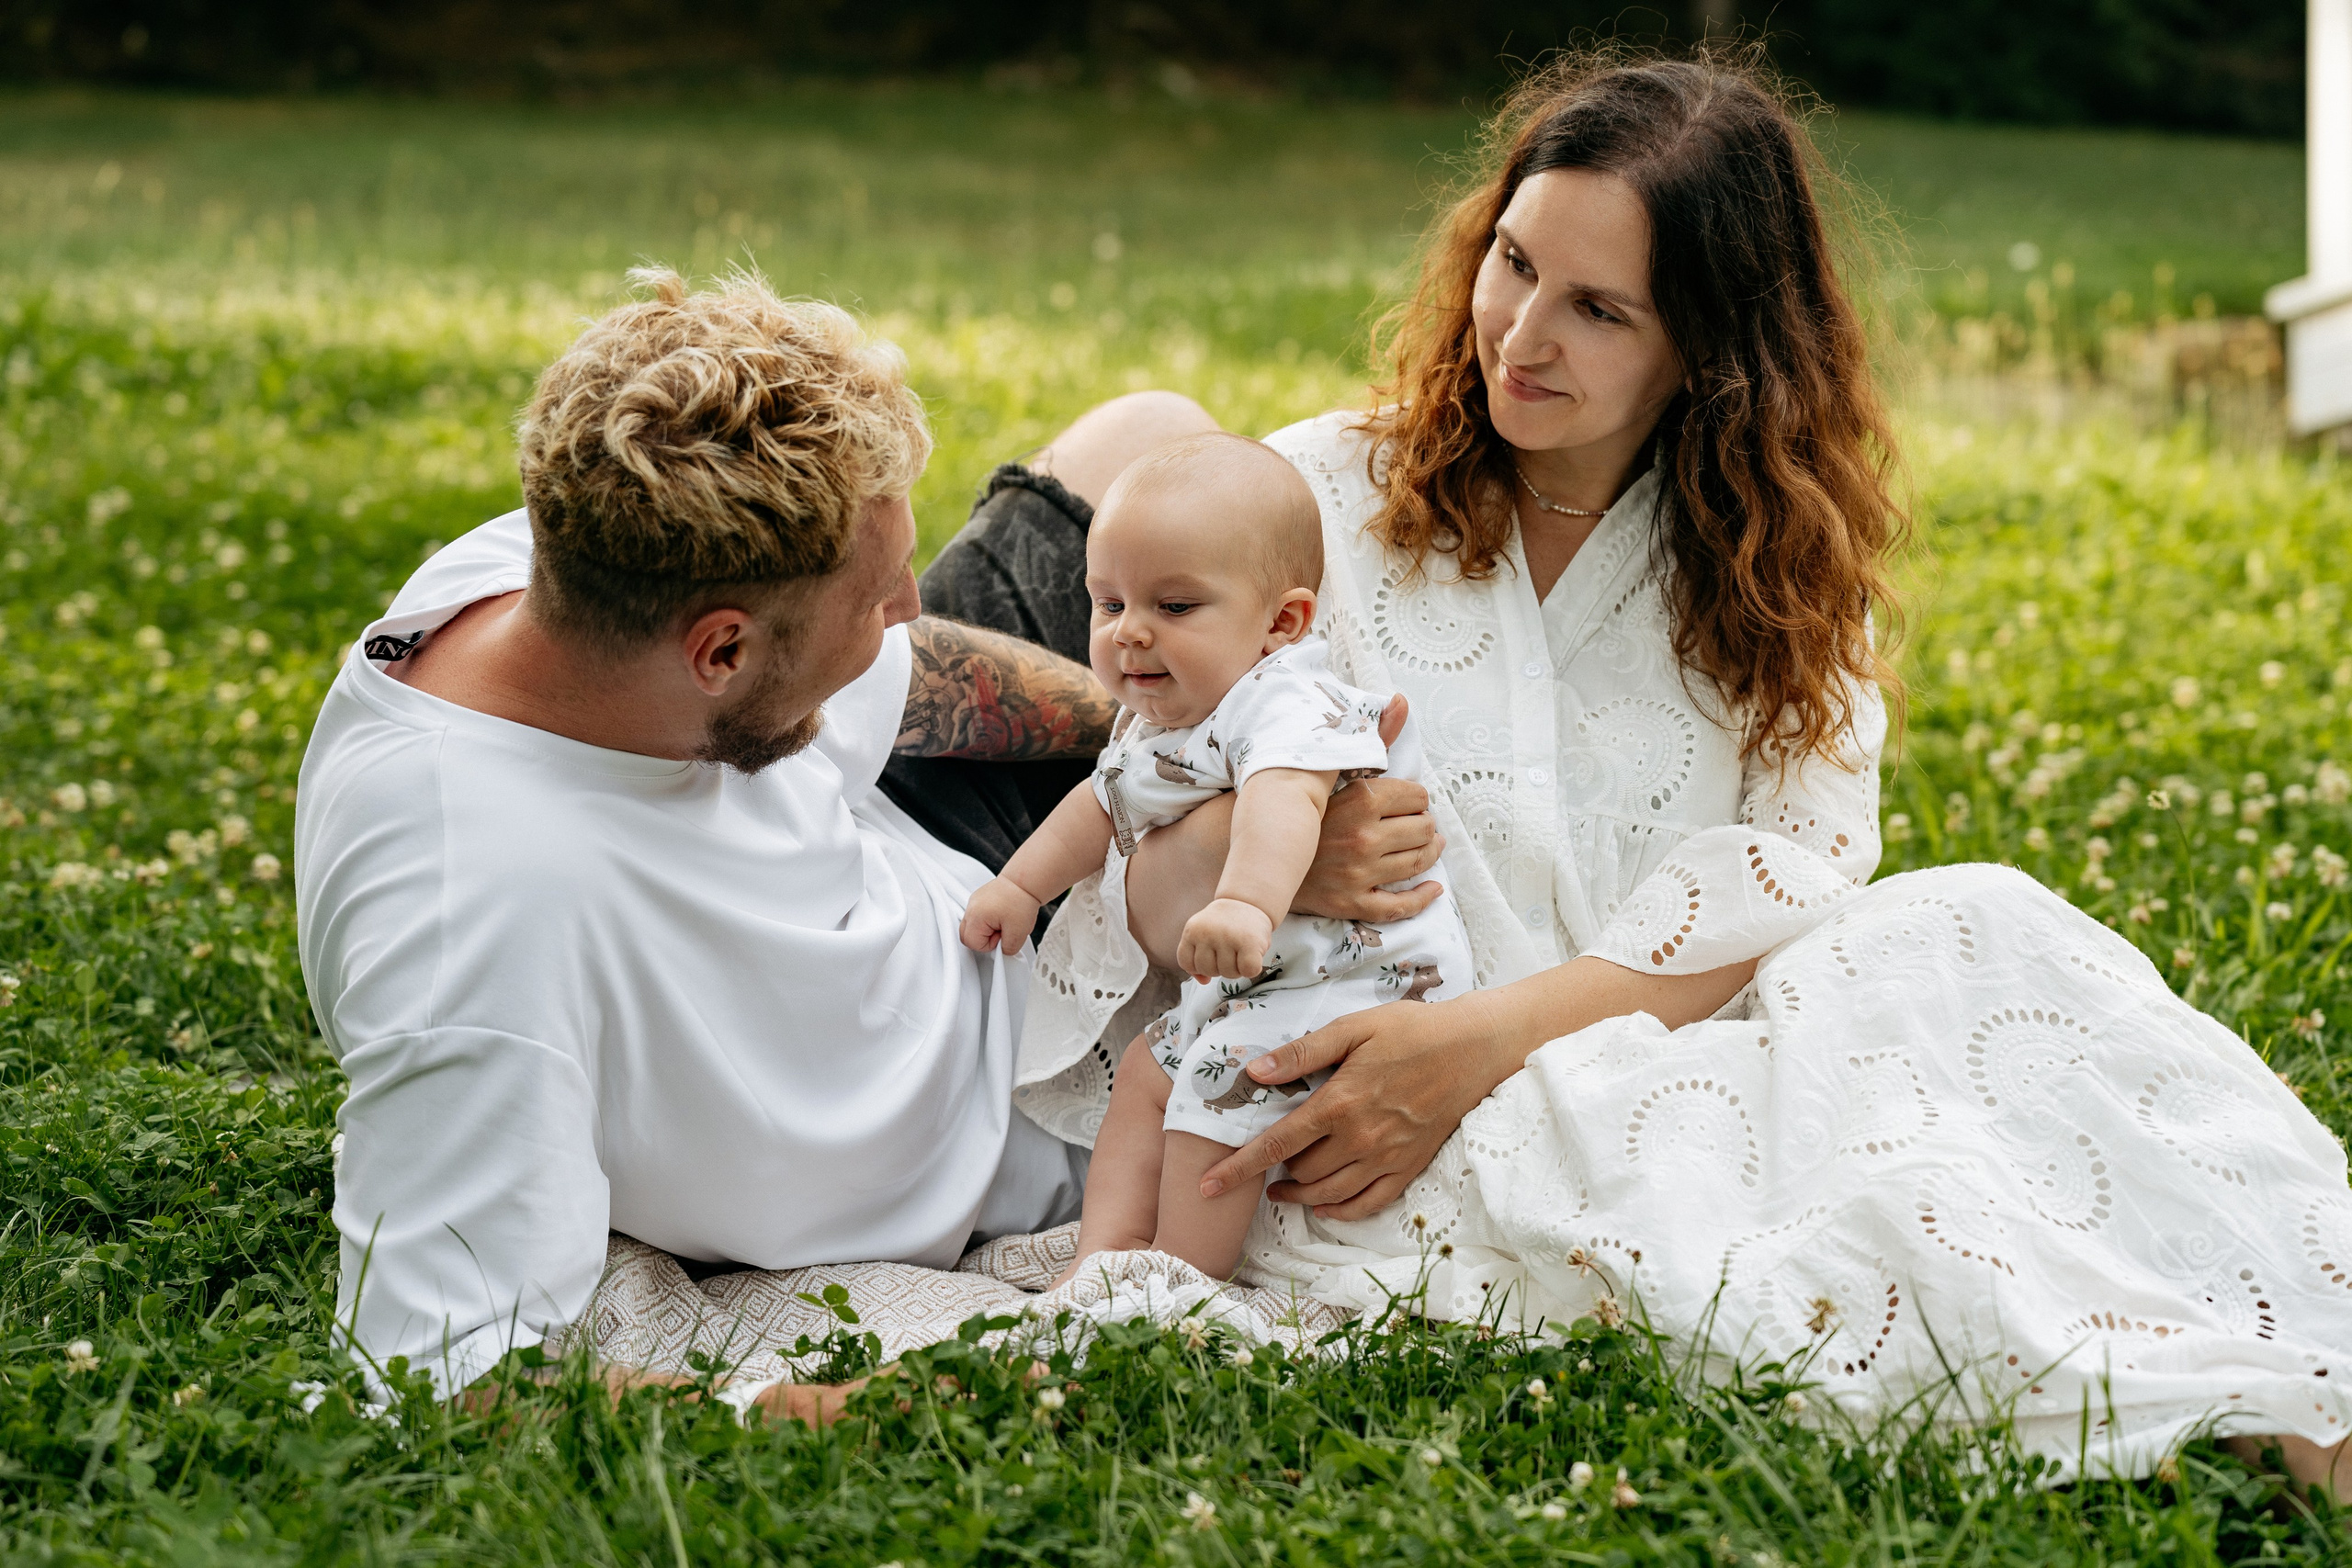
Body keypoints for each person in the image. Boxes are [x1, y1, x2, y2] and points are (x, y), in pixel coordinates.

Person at [1002, 51, 2352, 1491]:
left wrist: (1485, 1043)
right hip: (1375, 1094)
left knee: (1979, 937)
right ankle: (2234, 1409)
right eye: (1515, 262)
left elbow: (1789, 885)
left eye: (1599, 309)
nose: (1521, 335)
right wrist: (1269, 861)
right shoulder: (1311, 501)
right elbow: (1140, 872)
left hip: (1674, 1036)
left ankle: (2289, 1364)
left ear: (1707, 347)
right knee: (1853, 1205)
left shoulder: (1777, 574)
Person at [295, 271, 1442, 1417]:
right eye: (876, 595)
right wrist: (864, 1405)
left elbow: (927, 668)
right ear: (722, 652)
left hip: (919, 848)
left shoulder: (573, 561)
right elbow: (450, 1378)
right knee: (1259, 844)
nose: (910, 601)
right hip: (1013, 1056)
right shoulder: (474, 928)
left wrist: (1175, 740)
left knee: (1147, 432)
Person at [958, 433, 1472, 1282]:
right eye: (1109, 603)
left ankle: (1177, 1282)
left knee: (1215, 1087)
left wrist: (1243, 902)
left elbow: (1284, 803)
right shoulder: (1162, 723)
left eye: (1174, 606)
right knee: (1145, 1072)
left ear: (1282, 623)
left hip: (1364, 986)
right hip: (1268, 987)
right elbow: (1099, 806)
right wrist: (1020, 886)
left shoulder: (1289, 699)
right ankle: (1101, 1262)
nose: (1131, 632)